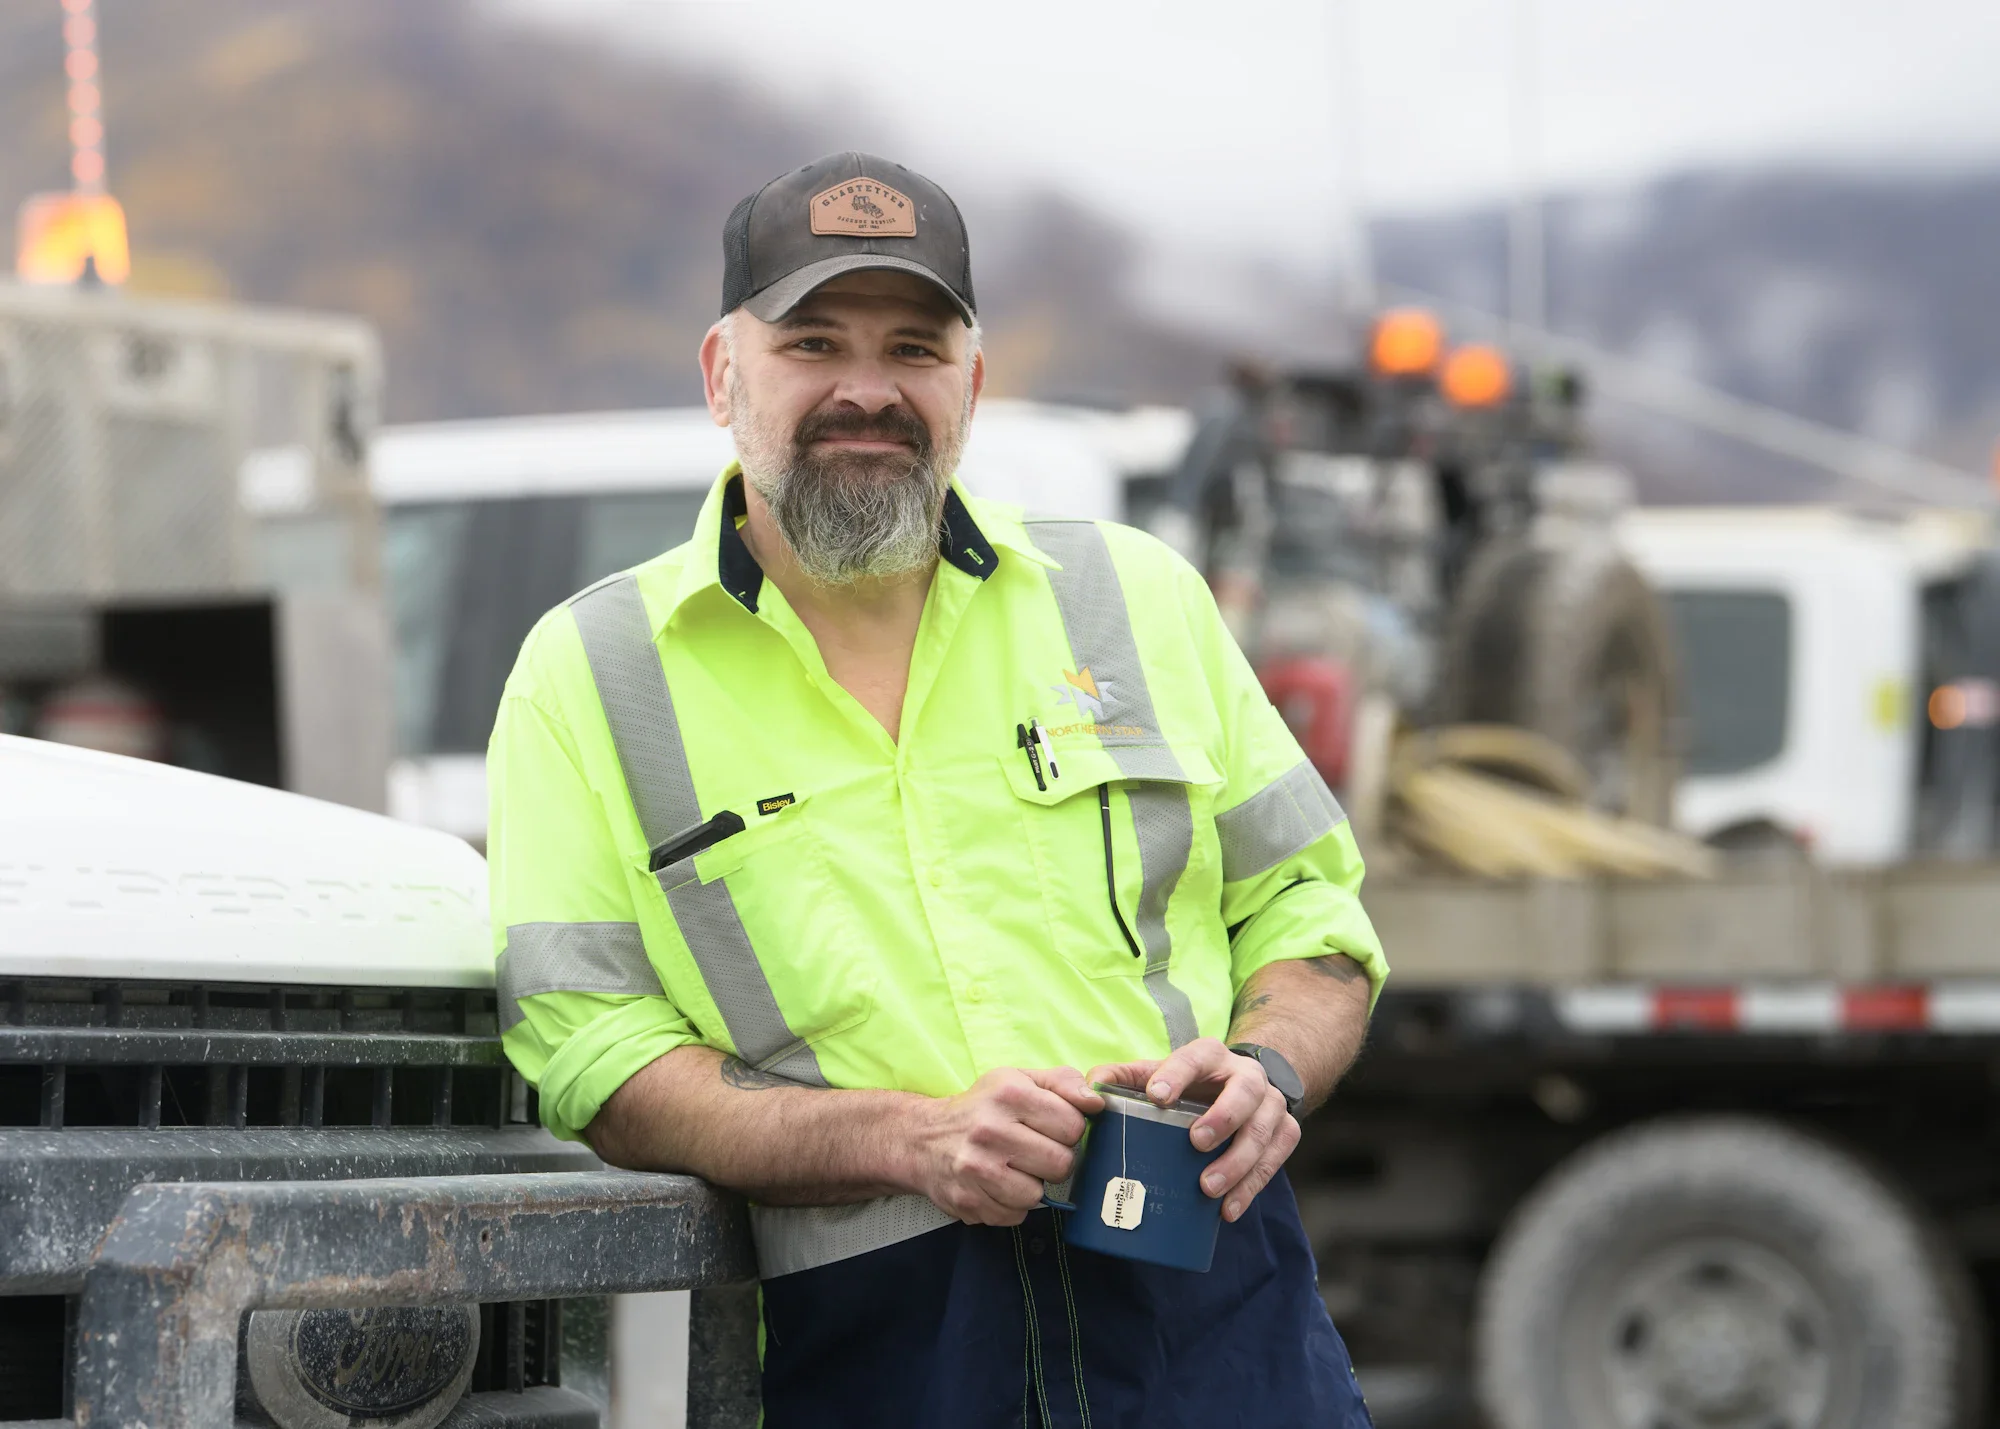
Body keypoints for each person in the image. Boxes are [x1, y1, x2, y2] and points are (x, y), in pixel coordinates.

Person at [489, 152, 1388, 1427]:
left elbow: (1309, 910)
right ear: (722, 374)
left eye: (913, 347)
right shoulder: (589, 672)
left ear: (969, 382)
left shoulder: (1135, 597)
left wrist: (1265, 1066)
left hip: (1212, 1313)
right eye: (812, 342)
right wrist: (903, 1138)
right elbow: (589, 1048)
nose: (867, 388)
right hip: (877, 1349)